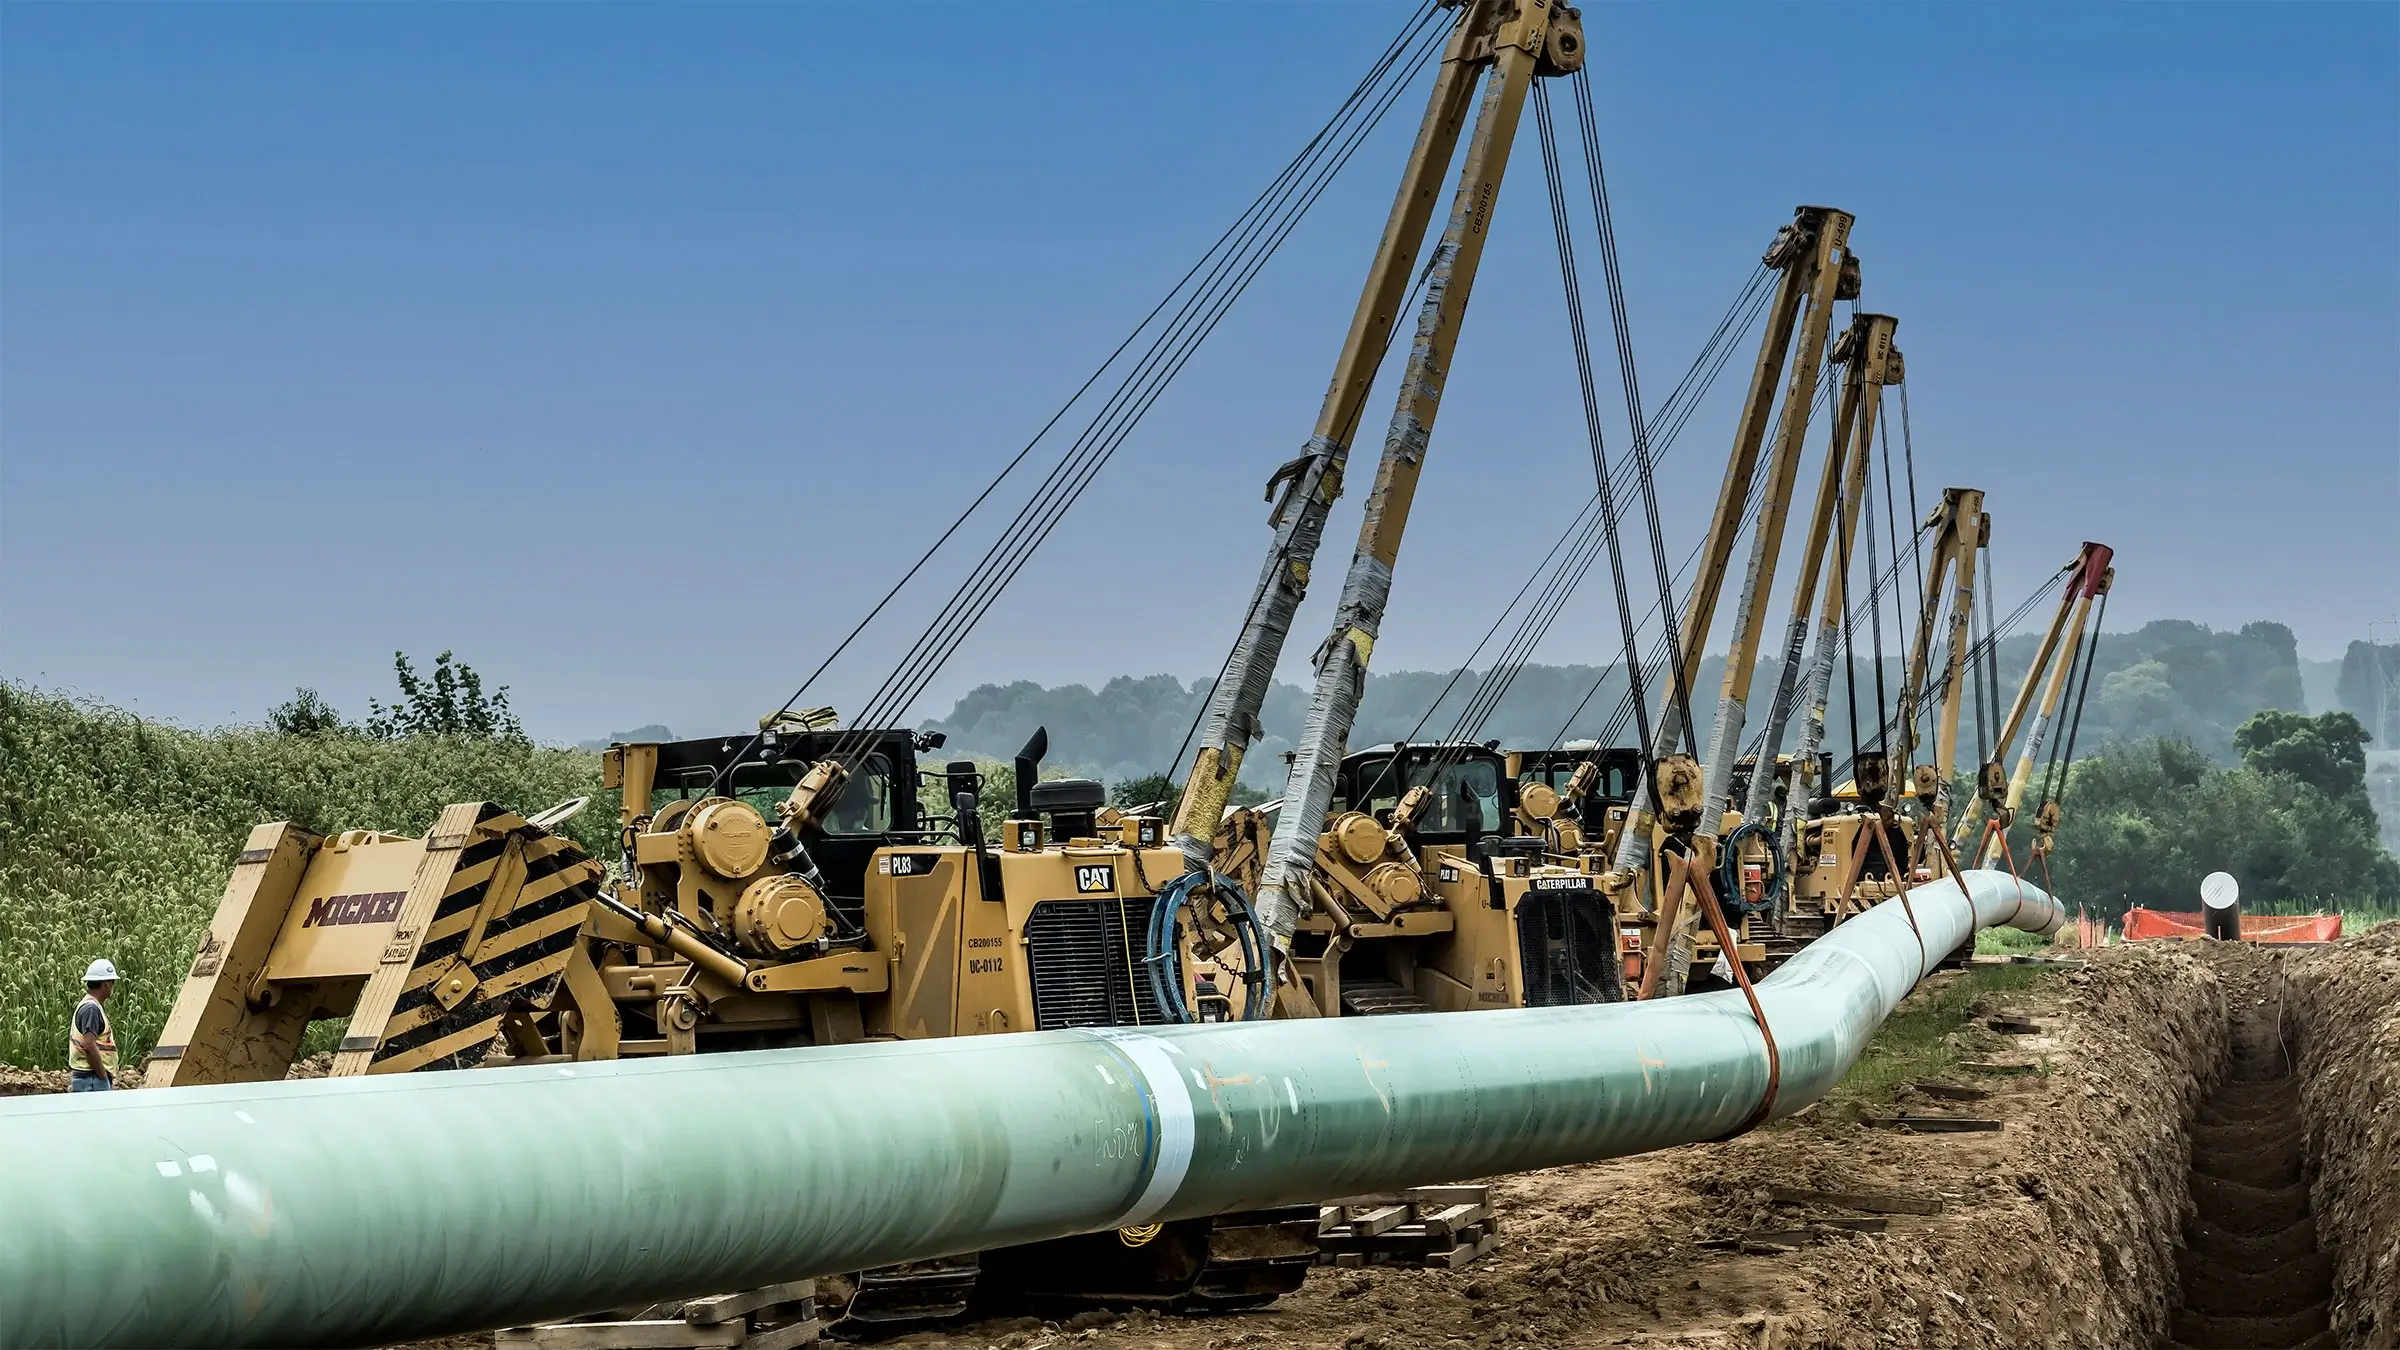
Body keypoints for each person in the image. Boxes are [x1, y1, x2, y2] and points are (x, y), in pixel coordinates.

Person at [69, 959, 119, 1093]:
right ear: (107, 984)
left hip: (89, 1078)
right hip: (91, 1079)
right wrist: (103, 1077)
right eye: (113, 982)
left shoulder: (90, 1005)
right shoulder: (91, 1008)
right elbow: (89, 1045)